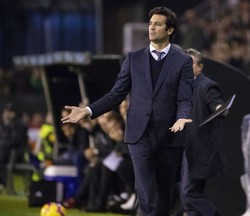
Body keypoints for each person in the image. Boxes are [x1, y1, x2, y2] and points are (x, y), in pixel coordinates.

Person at [61, 6, 194, 216]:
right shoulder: (133, 59)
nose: (152, 28)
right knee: (146, 193)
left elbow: (185, 97)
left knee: (164, 195)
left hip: (170, 135)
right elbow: (116, 95)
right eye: (150, 23)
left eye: (158, 24)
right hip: (139, 135)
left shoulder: (183, 61)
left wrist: (183, 117)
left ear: (170, 30)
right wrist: (88, 110)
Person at [181, 48, 226, 216]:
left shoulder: (206, 85)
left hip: (199, 150)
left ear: (199, 67)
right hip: (187, 148)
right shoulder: (182, 87)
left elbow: (216, 104)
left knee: (189, 194)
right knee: (189, 198)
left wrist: (219, 108)